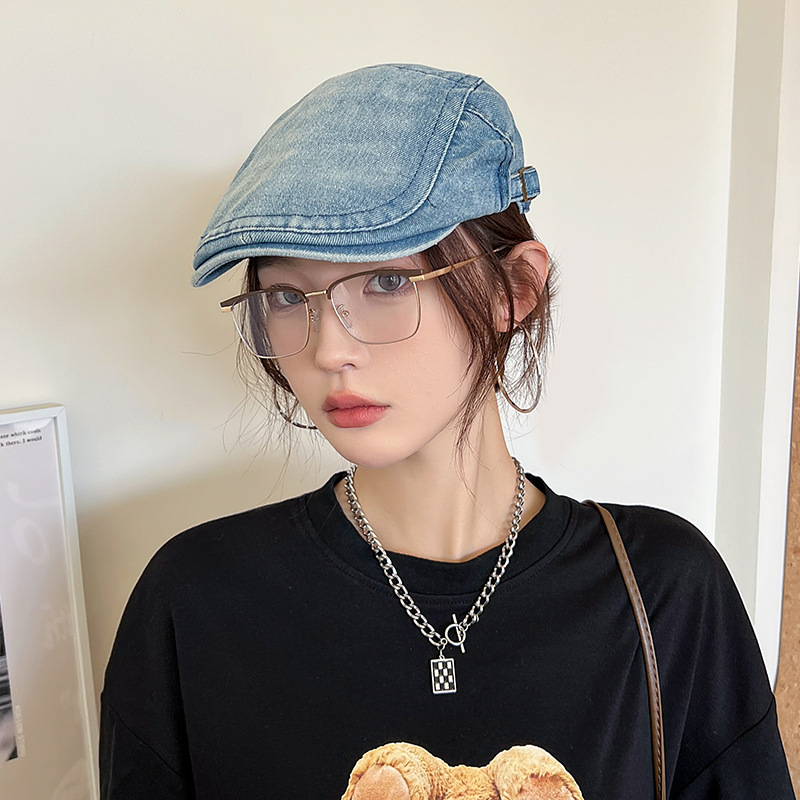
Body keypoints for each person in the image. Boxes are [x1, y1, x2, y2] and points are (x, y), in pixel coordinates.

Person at [99, 64, 795, 799]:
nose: (330, 349)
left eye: (386, 282)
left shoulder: (661, 593)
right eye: (285, 295)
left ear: (514, 289)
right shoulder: (196, 602)